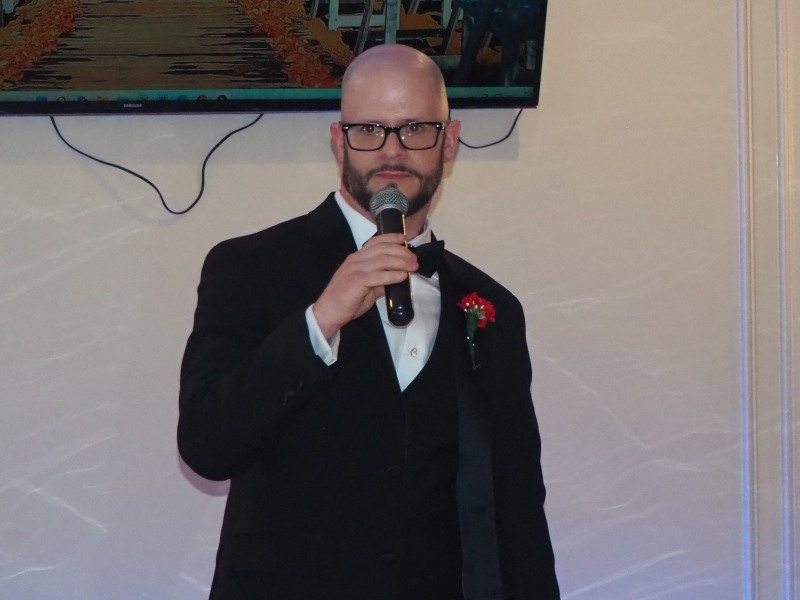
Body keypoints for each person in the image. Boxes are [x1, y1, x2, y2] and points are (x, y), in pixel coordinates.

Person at [178, 43, 559, 600]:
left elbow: (518, 504)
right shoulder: (248, 267)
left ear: (450, 141)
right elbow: (206, 445)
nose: (392, 150)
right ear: (339, 141)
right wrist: (321, 319)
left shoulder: (492, 306)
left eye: (416, 129)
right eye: (370, 130)